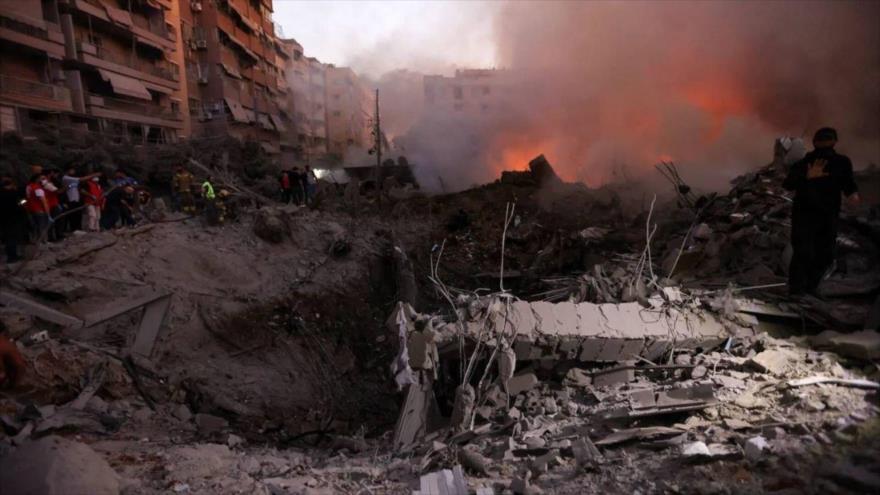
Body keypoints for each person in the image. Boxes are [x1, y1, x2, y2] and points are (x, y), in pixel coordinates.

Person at [783, 127, 860, 296]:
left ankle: (811, 288)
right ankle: (796, 291)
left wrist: (853, 195)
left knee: (825, 254)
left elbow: (848, 183)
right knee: (803, 252)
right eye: (822, 140)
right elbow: (788, 184)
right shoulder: (805, 163)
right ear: (815, 143)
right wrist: (807, 176)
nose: (825, 145)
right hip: (804, 215)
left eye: (828, 139)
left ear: (834, 142)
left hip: (828, 216)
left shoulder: (841, 162)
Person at [61, 167, 100, 234]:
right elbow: (81, 179)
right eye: (72, 169)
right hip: (70, 198)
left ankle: (78, 228)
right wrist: (94, 175)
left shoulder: (75, 180)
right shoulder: (66, 178)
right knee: (73, 215)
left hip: (77, 198)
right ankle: (73, 229)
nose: (73, 171)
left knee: (78, 214)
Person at [0, 175, 27, 263]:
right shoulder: (12, 194)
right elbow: (19, 204)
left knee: (8, 237)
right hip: (13, 218)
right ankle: (12, 257)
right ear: (10, 185)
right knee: (12, 238)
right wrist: (22, 203)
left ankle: (11, 255)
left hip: (4, 218)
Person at [24, 173, 50, 243]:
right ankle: (43, 241)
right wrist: (48, 212)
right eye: (42, 179)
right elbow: (43, 201)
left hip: (30, 209)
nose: (44, 180)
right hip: (39, 210)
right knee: (42, 226)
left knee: (34, 226)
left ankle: (34, 240)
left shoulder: (28, 186)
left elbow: (27, 197)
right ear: (37, 179)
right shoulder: (38, 188)